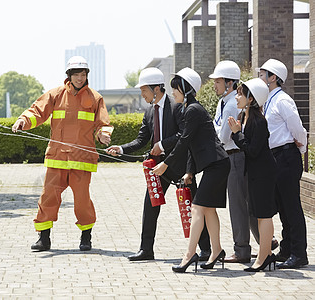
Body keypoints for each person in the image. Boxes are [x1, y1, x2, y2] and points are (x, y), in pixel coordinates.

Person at [105, 68, 211, 262]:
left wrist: (163, 145)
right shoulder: (149, 112)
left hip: (180, 165)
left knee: (192, 206)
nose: (142, 95)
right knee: (150, 204)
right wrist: (120, 149)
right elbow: (141, 140)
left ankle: (206, 249)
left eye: (144, 90)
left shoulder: (177, 106)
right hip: (159, 167)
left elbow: (183, 136)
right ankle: (146, 249)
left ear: (156, 89)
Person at [12, 56, 112, 252]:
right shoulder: (55, 95)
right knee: (48, 198)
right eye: (76, 75)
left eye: (83, 75)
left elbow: (103, 123)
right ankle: (44, 238)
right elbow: (37, 111)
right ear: (69, 76)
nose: (80, 78)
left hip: (81, 160)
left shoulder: (95, 98)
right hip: (57, 158)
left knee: (82, 202)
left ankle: (86, 237)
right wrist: (23, 121)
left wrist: (103, 135)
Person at [152, 67, 230, 273]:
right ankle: (217, 251)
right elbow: (191, 146)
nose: (173, 93)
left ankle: (189, 255)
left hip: (217, 165)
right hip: (216, 165)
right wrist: (189, 172)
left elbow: (184, 142)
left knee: (197, 208)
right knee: (208, 210)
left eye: (176, 88)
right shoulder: (190, 109)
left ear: (186, 89)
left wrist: (166, 163)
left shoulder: (193, 110)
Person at [210, 61, 264, 264]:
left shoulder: (233, 103)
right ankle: (265, 241)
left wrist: (216, 131)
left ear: (230, 83)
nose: (215, 84)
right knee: (244, 203)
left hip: (235, 155)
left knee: (238, 204)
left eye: (218, 80)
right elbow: (218, 129)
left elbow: (223, 136)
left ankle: (241, 249)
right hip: (231, 155)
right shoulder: (224, 102)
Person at [257, 58, 309, 269]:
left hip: (287, 156)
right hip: (275, 158)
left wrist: (302, 147)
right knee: (282, 207)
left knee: (291, 207)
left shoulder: (283, 100)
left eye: (263, 74)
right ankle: (287, 249)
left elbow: (297, 128)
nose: (260, 77)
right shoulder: (268, 100)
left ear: (273, 78)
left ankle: (299, 253)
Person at [228, 78, 278, 272]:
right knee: (259, 215)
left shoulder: (258, 121)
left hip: (264, 173)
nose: (237, 97)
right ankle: (268, 255)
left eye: (241, 94)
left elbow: (253, 150)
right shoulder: (245, 116)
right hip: (256, 173)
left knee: (264, 216)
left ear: (251, 99)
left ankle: (264, 258)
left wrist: (237, 134)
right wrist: (238, 132)